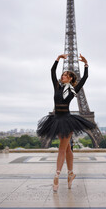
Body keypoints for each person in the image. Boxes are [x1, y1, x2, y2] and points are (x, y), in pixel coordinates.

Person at [37, 53, 95, 192]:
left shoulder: (73, 90)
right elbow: (52, 71)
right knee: (67, 148)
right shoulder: (57, 87)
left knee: (62, 149)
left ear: (69, 78)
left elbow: (85, 78)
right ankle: (70, 174)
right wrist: (57, 59)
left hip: (67, 121)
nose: (62, 76)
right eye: (62, 75)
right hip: (56, 120)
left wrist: (86, 64)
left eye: (64, 75)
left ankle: (56, 175)